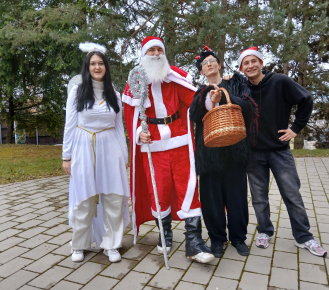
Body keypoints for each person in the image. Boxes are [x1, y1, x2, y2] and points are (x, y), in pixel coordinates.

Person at [123, 36, 215, 263]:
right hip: (152, 148)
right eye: (151, 50)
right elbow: (130, 115)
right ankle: (164, 235)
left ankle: (194, 242)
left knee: (189, 189)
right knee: (158, 191)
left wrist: (210, 99)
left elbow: (194, 101)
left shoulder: (176, 77)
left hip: (180, 143)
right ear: (144, 55)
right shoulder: (136, 80)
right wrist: (137, 133)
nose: (155, 54)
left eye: (159, 50)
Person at [238, 47, 327, 257]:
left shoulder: (280, 81)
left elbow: (306, 100)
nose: (250, 66)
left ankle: (304, 237)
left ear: (261, 63)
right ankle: (264, 231)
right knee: (259, 197)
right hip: (253, 153)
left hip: (279, 151)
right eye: (245, 63)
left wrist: (295, 129)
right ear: (241, 68)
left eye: (253, 61)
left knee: (292, 194)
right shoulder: (241, 87)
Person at [62, 42, 130, 262]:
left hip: (111, 149)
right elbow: (69, 125)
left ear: (106, 67)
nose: (97, 67)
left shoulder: (114, 94)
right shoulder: (77, 92)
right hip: (83, 148)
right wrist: (66, 156)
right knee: (85, 199)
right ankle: (79, 244)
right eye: (93, 63)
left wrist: (124, 155)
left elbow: (119, 127)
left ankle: (112, 244)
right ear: (87, 66)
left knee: (113, 198)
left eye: (101, 63)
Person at [189, 46, 259, 257]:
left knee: (237, 197)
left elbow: (249, 108)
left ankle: (238, 238)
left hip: (235, 150)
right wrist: (210, 99)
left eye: (212, 60)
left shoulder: (236, 83)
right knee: (211, 200)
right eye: (204, 64)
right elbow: (193, 116)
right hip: (209, 154)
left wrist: (226, 97)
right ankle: (217, 239)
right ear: (201, 71)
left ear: (219, 64)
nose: (209, 64)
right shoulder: (200, 91)